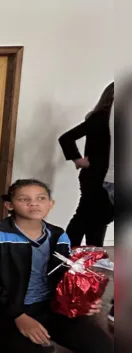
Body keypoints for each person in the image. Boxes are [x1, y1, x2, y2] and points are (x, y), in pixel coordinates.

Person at [0, 179, 113, 353]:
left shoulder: (58, 235)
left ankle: (45, 331)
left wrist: (83, 300)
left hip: (49, 307)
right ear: (9, 205)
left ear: (50, 204)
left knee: (101, 348)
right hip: (10, 309)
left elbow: (67, 278)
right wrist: (19, 316)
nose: (34, 203)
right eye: (24, 199)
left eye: (41, 198)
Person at [58, 82, 114, 247]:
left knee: (100, 217)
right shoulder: (101, 117)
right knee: (85, 216)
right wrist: (77, 159)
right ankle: (66, 252)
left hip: (104, 176)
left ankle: (92, 253)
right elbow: (66, 138)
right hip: (95, 176)